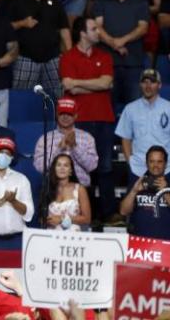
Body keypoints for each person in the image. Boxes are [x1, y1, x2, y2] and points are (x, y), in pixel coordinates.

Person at [60, 16, 117, 219]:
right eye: (94, 29)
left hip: (103, 118)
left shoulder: (105, 56)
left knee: (106, 166)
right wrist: (94, 83)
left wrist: (78, 84)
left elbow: (106, 83)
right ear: (83, 33)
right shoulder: (68, 57)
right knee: (81, 168)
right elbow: (67, 85)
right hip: (80, 119)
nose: (98, 32)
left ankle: (109, 213)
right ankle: (84, 213)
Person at [9, 0, 71, 96]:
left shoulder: (56, 3)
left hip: (53, 58)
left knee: (58, 96)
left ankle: (55, 117)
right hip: (25, 57)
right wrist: (23, 23)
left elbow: (64, 30)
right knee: (20, 96)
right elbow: (6, 27)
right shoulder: (18, 2)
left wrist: (70, 55)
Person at [94, 0, 150, 108]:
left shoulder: (141, 3)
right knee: (107, 110)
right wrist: (114, 43)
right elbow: (97, 27)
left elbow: (143, 28)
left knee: (135, 111)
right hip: (106, 65)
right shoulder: (101, 1)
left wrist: (121, 41)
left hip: (134, 64)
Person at [117, 69, 170, 182]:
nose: (148, 85)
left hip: (166, 169)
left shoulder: (168, 108)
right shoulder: (130, 109)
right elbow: (126, 138)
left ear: (159, 85)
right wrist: (130, 162)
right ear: (140, 84)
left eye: (152, 82)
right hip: (138, 168)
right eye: (144, 81)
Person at [32, 98, 98, 186]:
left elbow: (92, 166)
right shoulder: (45, 138)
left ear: (76, 116)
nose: (65, 117)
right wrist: (59, 149)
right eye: (62, 113)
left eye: (69, 114)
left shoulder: (87, 137)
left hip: (81, 188)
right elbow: (39, 167)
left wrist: (74, 147)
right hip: (53, 189)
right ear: (56, 115)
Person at [120, 145, 170, 240]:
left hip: (166, 244)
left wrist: (165, 191)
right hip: (140, 244)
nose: (155, 165)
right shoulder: (138, 183)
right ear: (146, 163)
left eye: (159, 162)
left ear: (165, 164)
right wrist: (134, 191)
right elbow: (123, 211)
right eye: (152, 161)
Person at [39, 153, 92, 231]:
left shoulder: (79, 189)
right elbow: (41, 217)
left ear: (71, 170)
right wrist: (47, 220)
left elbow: (87, 219)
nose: (62, 168)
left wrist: (61, 219)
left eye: (66, 165)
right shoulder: (48, 189)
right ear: (54, 169)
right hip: (51, 235)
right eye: (59, 165)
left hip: (72, 237)